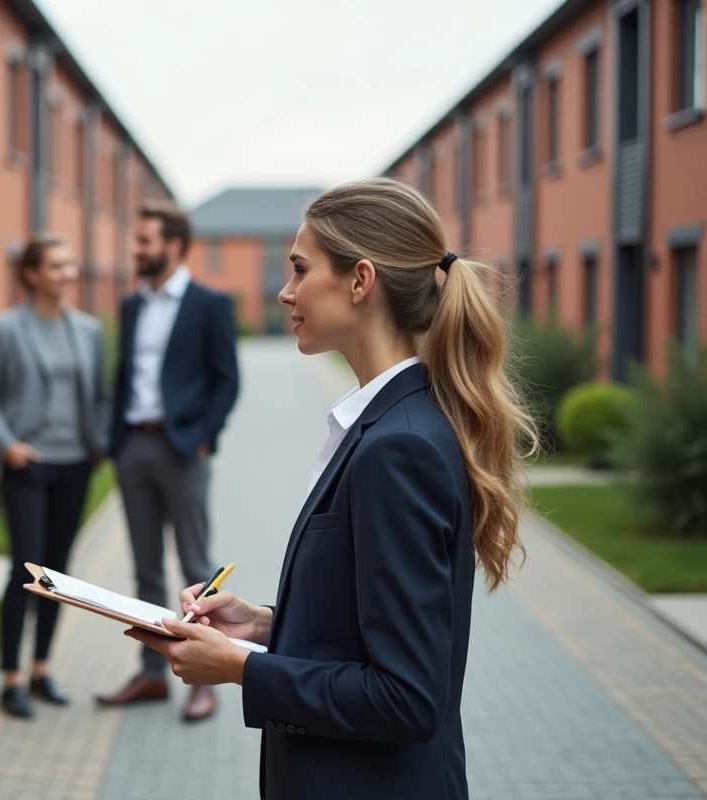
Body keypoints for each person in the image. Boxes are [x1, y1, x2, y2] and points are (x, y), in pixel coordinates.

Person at [124, 177, 539, 799]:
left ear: (359, 281)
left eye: (298, 268)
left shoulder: (397, 448)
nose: (284, 293)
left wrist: (241, 667)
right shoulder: (392, 421)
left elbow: (406, 698)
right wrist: (265, 624)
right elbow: (365, 626)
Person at [94, 199, 241, 723]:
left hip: (183, 450)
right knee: (145, 569)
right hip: (133, 447)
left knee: (197, 568)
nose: (136, 249)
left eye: (144, 241)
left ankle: (207, 679)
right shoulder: (132, 305)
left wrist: (203, 438)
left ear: (173, 246)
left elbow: (227, 380)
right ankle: (153, 674)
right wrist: (112, 439)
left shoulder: (209, 304)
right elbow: (123, 376)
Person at [0, 233, 112, 720]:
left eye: (71, 266)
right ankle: (9, 678)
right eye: (56, 266)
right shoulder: (6, 328)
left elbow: (99, 395)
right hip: (27, 465)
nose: (67, 275)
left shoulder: (88, 329)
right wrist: (7, 444)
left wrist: (101, 442)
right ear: (31, 273)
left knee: (57, 574)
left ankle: (41, 669)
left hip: (76, 465)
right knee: (25, 572)